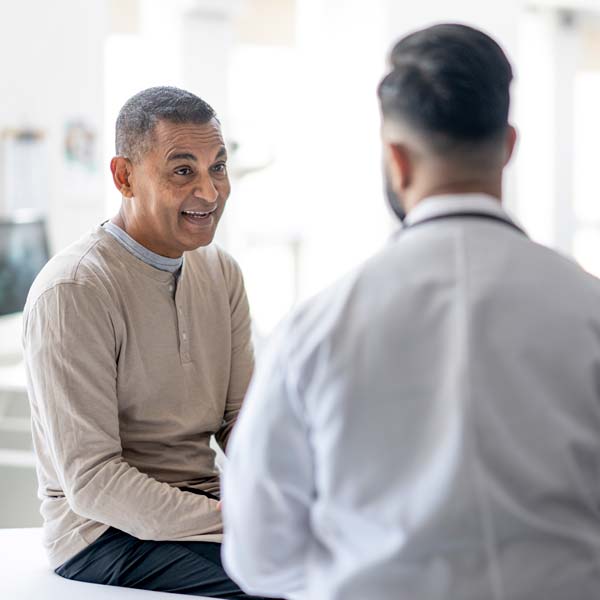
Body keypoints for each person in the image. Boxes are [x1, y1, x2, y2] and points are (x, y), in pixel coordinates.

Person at [222, 24, 600, 600]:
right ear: (509, 146)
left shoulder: (317, 328)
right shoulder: (588, 309)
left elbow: (258, 555)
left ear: (396, 160)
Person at [23, 86, 268, 599]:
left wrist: (287, 491)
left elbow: (241, 420)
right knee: (289, 582)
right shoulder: (75, 290)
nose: (209, 192)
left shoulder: (221, 272)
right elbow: (93, 483)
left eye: (217, 168)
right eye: (183, 171)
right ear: (123, 176)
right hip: (104, 536)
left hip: (204, 510)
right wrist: (236, 519)